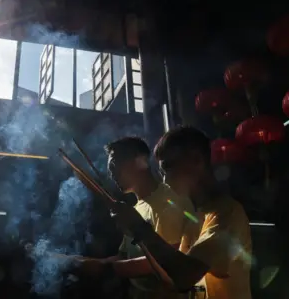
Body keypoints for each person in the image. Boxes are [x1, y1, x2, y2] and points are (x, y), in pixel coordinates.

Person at [75, 127, 252, 299]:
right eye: (162, 171)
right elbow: (171, 279)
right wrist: (137, 232)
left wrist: (140, 229)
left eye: (168, 167)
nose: (165, 179)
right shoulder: (196, 216)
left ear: (197, 160)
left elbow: (185, 276)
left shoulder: (227, 212)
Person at [76, 137, 195, 298]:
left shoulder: (170, 200)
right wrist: (83, 261)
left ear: (140, 162)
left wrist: (104, 268)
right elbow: (125, 256)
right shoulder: (135, 209)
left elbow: (168, 262)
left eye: (114, 165)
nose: (112, 173)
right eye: (110, 169)